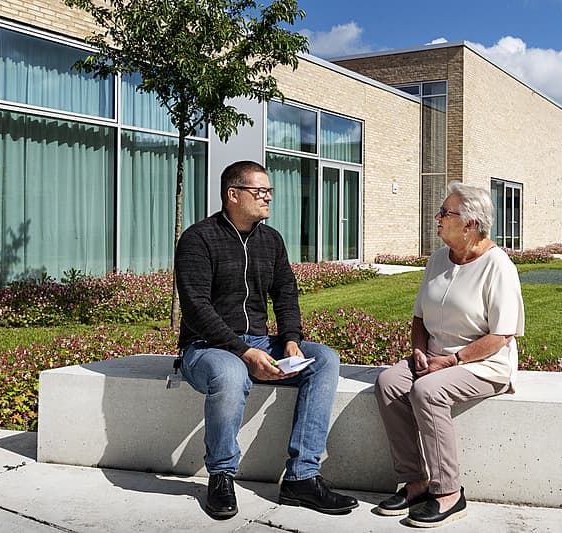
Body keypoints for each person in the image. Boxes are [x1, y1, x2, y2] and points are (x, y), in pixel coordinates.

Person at [174, 160, 359, 520]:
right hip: (206, 348)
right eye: (260, 191)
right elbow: (195, 307)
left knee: (323, 359)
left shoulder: (270, 239)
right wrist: (243, 352)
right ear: (233, 195)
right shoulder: (199, 239)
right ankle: (221, 476)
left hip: (257, 342)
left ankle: (302, 477)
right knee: (231, 374)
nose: (268, 197)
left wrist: (290, 339)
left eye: (269, 191)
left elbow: (285, 293)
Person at [373, 182, 524, 528]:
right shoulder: (438, 259)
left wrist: (453, 361)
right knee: (389, 383)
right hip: (434, 356)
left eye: (445, 213)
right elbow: (419, 318)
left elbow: (502, 335)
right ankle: (416, 482)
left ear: (470, 223)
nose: (437, 218)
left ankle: (449, 493)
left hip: (483, 363)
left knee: (428, 392)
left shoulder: (497, 266)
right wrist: (418, 348)